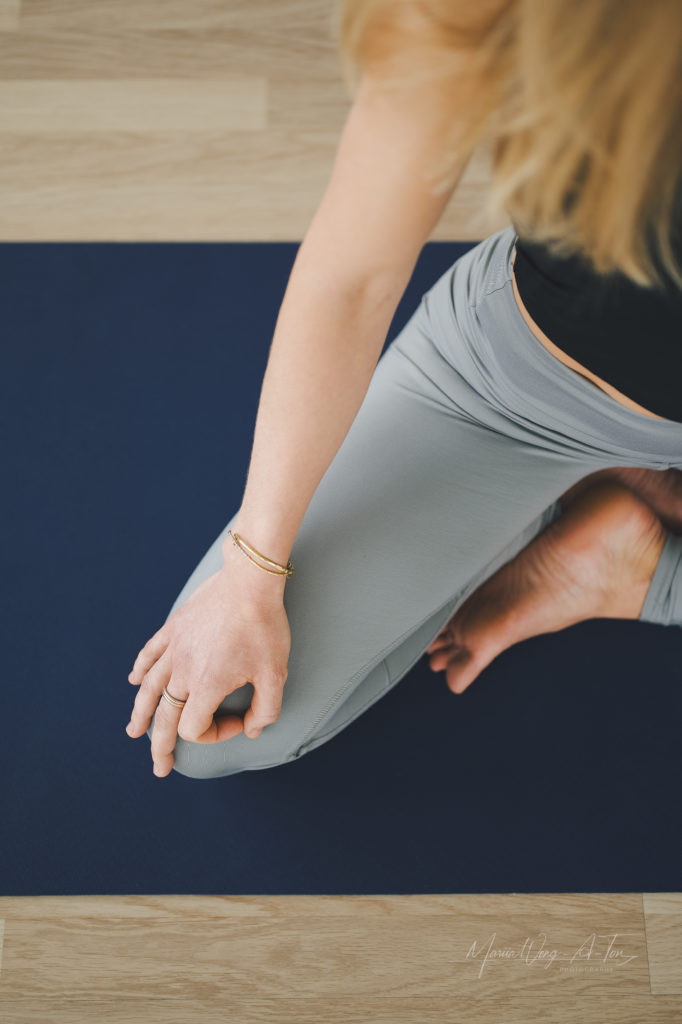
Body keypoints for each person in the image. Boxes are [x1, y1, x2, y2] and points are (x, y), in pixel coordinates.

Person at [125, 0, 682, 779]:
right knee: (209, 728)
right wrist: (251, 577)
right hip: (513, 391)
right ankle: (616, 490)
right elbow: (349, 282)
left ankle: (637, 575)